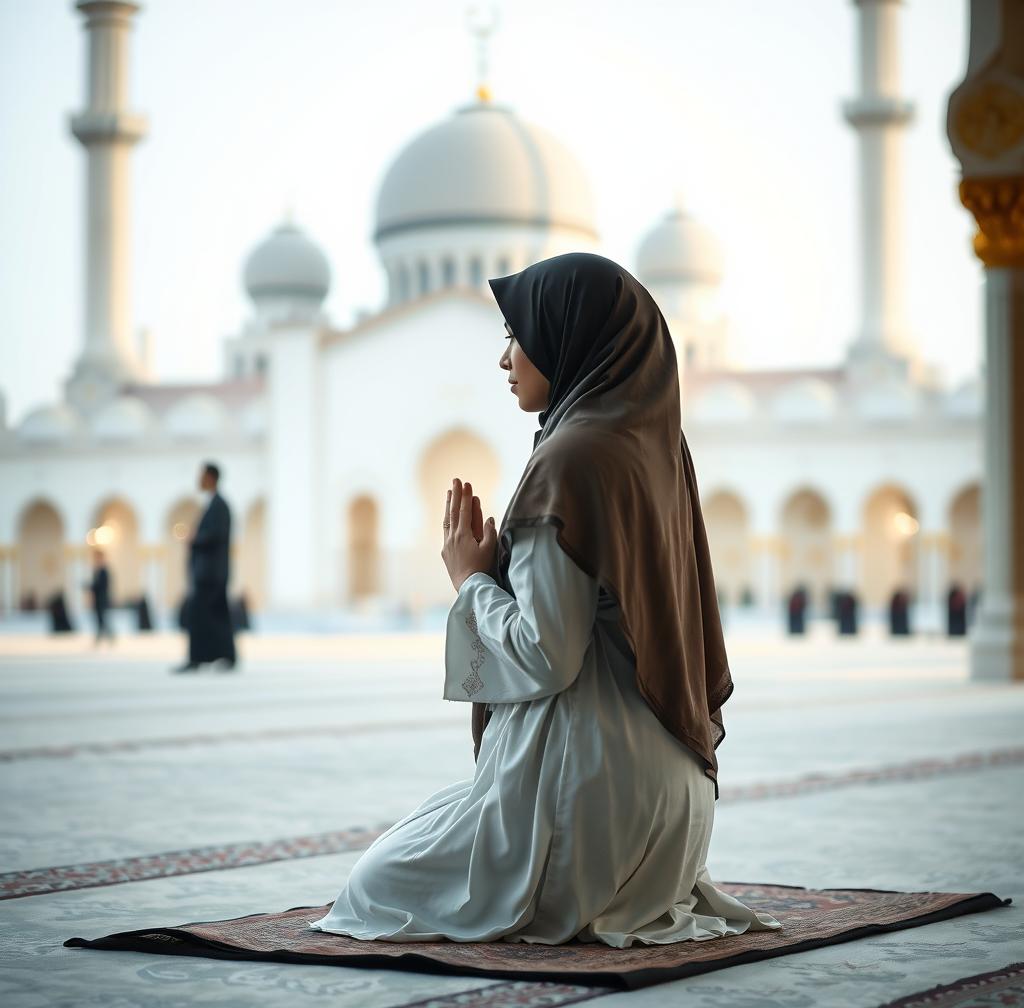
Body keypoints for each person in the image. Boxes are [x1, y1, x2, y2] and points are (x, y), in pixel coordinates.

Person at [308, 252, 782, 947]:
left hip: (592, 803)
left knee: (373, 887)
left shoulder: (569, 460)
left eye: (516, 334)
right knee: (437, 823)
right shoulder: (653, 448)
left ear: (567, 335)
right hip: (674, 813)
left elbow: (544, 655)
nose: (506, 360)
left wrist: (470, 577)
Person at [172, 462, 237, 672]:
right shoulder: (214, 504)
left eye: (201, 475)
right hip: (210, 573)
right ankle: (222, 657)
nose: (198, 479)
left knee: (201, 615)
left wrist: (194, 539)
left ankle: (200, 658)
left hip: (211, 574)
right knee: (214, 616)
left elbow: (217, 536)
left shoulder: (220, 505)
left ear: (210, 477)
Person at [86, 549, 113, 644]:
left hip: (102, 599)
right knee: (100, 619)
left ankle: (107, 636)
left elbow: (101, 586)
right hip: (98, 600)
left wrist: (89, 586)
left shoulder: (104, 571)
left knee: (102, 619)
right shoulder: (96, 571)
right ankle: (105, 636)